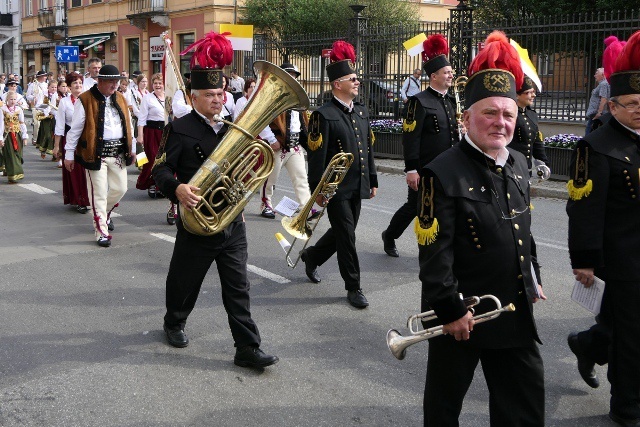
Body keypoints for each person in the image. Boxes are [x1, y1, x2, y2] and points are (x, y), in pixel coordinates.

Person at [416, 31, 546, 427]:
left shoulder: (519, 163)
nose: (500, 123)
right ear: (466, 117)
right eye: (489, 113)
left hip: (512, 308)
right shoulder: (441, 172)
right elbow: (434, 254)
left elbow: (523, 228)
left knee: (523, 406)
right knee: (444, 407)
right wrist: (450, 310)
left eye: (508, 114)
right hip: (461, 315)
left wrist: (533, 274)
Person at [152, 31, 278, 368]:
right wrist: (176, 189)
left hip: (230, 222)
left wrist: (241, 198)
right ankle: (174, 321)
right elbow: (159, 171)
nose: (218, 101)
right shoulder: (178, 129)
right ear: (194, 97)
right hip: (196, 221)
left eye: (221, 94)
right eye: (210, 95)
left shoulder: (230, 127)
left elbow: (243, 171)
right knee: (184, 281)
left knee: (238, 286)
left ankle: (247, 348)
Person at [566, 30, 640, 427]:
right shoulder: (594, 146)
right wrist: (585, 261)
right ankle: (627, 405)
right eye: (631, 104)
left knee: (619, 326)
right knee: (631, 333)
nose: (639, 110)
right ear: (611, 105)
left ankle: (586, 342)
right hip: (619, 258)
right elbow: (583, 208)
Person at [300, 40, 378, 309]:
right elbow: (316, 158)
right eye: (352, 78)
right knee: (347, 235)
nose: (357, 82)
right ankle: (353, 286)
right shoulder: (322, 115)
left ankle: (312, 256)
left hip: (358, 184)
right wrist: (317, 193)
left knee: (345, 230)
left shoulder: (360, 112)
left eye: (357, 78)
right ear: (337, 84)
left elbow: (367, 150)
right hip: (335, 188)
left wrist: (373, 181)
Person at [382, 34, 459, 258]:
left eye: (451, 72)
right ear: (433, 76)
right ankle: (390, 235)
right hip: (426, 168)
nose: (451, 75)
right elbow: (410, 138)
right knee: (414, 208)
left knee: (446, 208)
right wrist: (412, 169)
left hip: (450, 168)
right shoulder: (419, 101)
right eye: (446, 72)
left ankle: (442, 248)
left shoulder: (452, 101)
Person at [64, 65, 136, 247]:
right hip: (95, 154)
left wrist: (132, 147)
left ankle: (103, 214)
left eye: (117, 81)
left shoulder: (120, 97)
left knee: (121, 189)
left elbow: (129, 126)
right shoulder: (85, 99)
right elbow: (76, 129)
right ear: (100, 81)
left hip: (117, 152)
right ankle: (101, 230)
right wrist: (69, 154)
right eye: (111, 81)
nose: (115, 85)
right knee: (99, 193)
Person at [260, 63, 312, 219]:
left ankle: (305, 208)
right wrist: (271, 139)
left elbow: (301, 124)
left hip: (294, 146)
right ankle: (265, 204)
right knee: (270, 178)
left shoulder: (298, 99)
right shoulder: (272, 96)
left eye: (294, 76)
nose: (292, 78)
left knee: (301, 178)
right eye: (289, 75)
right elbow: (261, 120)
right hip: (278, 144)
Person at [53, 72, 90, 213]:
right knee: (74, 169)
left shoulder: (87, 99)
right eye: (75, 83)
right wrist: (57, 146)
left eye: (80, 83)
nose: (78, 85)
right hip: (70, 138)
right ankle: (79, 200)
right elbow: (60, 125)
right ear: (69, 87)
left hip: (86, 137)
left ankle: (88, 198)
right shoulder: (65, 102)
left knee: (86, 169)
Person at [136, 73, 166, 198]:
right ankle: (152, 184)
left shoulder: (170, 96)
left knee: (165, 160)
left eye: (160, 83)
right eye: (155, 83)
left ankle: (163, 185)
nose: (157, 85)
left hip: (166, 132)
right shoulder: (148, 98)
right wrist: (140, 136)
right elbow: (142, 118)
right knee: (153, 159)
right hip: (152, 132)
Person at [510, 76, 549, 171]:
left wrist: (544, 164)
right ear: (517, 95)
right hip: (511, 166)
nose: (533, 95)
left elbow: (536, 142)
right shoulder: (509, 114)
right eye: (528, 93)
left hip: (526, 168)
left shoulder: (532, 114)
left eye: (533, 92)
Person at [0, 91, 29, 183]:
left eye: (14, 99)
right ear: (7, 100)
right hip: (7, 135)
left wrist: (25, 136)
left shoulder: (19, 110)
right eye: (11, 99)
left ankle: (9, 170)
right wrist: (1, 138)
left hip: (17, 135)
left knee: (18, 154)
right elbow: (1, 125)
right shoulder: (2, 110)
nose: (13, 101)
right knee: (10, 155)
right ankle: (13, 175)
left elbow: (22, 122)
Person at [35, 80, 58, 161]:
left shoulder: (58, 95)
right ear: (48, 87)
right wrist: (47, 108)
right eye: (52, 87)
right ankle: (44, 150)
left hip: (55, 117)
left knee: (55, 135)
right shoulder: (43, 94)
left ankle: (54, 155)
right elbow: (38, 105)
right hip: (46, 118)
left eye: (55, 87)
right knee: (47, 135)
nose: (54, 89)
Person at [25, 70, 47, 146]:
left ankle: (42, 139)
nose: (45, 77)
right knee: (37, 123)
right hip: (36, 106)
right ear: (40, 77)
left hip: (45, 106)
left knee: (44, 124)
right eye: (44, 76)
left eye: (45, 76)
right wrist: (33, 97)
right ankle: (35, 138)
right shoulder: (33, 85)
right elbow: (28, 96)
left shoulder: (46, 85)